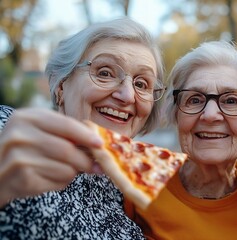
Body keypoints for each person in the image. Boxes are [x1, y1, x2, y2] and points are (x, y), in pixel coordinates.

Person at [0, 18, 165, 239]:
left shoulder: (133, 192)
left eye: (142, 84)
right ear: (61, 86)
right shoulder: (7, 130)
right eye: (105, 73)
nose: (127, 96)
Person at [123, 41, 237, 239]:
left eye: (231, 101)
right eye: (194, 99)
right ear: (176, 115)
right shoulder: (136, 182)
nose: (210, 115)